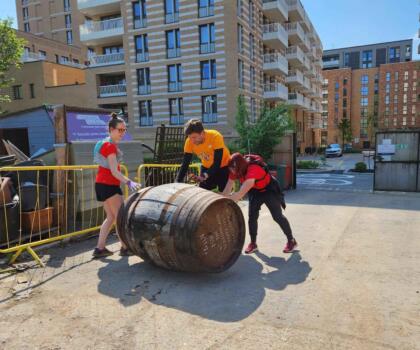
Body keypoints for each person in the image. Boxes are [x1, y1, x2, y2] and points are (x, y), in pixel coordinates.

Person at [222, 152, 297, 254]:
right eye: (230, 168)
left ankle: (291, 241)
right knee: (252, 217)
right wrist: (222, 199)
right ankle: (253, 244)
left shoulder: (253, 169)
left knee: (277, 216)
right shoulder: (234, 168)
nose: (232, 171)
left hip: (269, 189)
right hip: (255, 191)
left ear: (240, 166)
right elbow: (228, 187)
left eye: (233, 169)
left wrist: (226, 203)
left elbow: (240, 194)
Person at [93, 113, 140, 258]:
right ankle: (125, 247)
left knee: (111, 217)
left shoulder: (104, 143)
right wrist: (129, 182)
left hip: (101, 185)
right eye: (120, 130)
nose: (122, 133)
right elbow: (114, 171)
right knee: (120, 217)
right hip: (109, 185)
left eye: (124, 130)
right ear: (111, 129)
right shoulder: (110, 146)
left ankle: (100, 249)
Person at [175, 119, 231, 191]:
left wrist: (204, 175)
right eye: (189, 137)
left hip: (224, 167)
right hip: (206, 167)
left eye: (194, 137)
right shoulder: (189, 141)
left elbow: (217, 162)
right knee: (202, 191)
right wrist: (177, 182)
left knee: (225, 195)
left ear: (202, 133)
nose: (192, 140)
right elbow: (185, 164)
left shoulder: (215, 136)